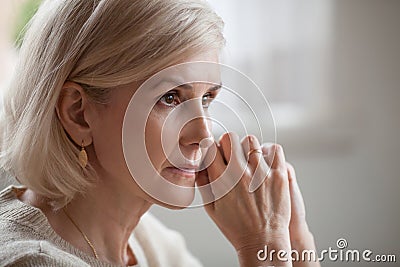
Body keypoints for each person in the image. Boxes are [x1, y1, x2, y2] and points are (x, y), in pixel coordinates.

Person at [0, 0, 319, 266]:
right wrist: (261, 245)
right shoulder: (33, 261)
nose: (203, 135)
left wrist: (295, 238)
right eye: (170, 98)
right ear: (78, 114)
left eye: (207, 98)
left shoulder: (145, 240)